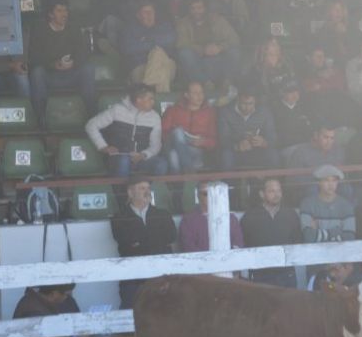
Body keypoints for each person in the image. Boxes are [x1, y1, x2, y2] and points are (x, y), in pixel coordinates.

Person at [111, 177, 177, 309]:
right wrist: (154, 241)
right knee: (131, 312)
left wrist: (139, 242)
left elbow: (171, 237)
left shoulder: (163, 214)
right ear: (130, 193)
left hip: (161, 273)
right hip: (133, 276)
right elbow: (125, 242)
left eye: (148, 188)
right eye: (142, 188)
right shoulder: (119, 217)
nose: (147, 192)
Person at [29, 0, 97, 116]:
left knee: (88, 68)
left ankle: (90, 114)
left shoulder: (73, 28)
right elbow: (34, 57)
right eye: (59, 11)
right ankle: (41, 117)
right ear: (51, 14)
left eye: (65, 10)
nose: (64, 14)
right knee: (37, 72)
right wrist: (53, 64)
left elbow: (84, 52)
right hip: (50, 76)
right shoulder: (40, 31)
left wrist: (74, 63)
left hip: (71, 74)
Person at [85, 85, 168, 177]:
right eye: (150, 99)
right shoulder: (118, 110)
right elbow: (91, 125)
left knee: (161, 164)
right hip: (119, 156)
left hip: (141, 158)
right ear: (139, 100)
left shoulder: (154, 117)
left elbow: (156, 145)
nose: (153, 102)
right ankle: (121, 191)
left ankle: (148, 190)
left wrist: (144, 155)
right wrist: (103, 146)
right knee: (123, 160)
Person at [241, 178, 302, 287]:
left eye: (279, 191)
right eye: (271, 191)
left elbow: (298, 241)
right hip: (260, 274)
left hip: (286, 273)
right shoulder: (250, 216)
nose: (276, 194)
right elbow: (244, 244)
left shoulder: (290, 214)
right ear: (262, 194)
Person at [175, 0, 241, 92]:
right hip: (198, 63)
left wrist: (219, 48)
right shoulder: (183, 23)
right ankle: (205, 84)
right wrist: (202, 49)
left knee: (234, 51)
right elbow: (181, 43)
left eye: (199, 8)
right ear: (189, 9)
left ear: (205, 8)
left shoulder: (218, 20)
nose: (196, 11)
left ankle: (227, 84)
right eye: (193, 8)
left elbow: (235, 39)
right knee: (184, 54)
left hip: (218, 60)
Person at [11, 284, 80, 337]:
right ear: (54, 294)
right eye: (66, 295)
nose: (67, 298)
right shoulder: (33, 311)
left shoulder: (33, 301)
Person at [120, 1, 177, 94]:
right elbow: (128, 48)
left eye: (151, 12)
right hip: (140, 67)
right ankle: (158, 101)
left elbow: (170, 40)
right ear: (138, 15)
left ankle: (144, 93)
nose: (149, 14)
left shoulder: (165, 26)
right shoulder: (130, 29)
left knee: (157, 53)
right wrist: (155, 43)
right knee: (160, 69)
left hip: (167, 63)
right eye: (145, 12)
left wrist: (146, 40)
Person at [161, 81, 217, 173]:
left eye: (201, 92)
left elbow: (214, 140)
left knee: (173, 155)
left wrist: (203, 142)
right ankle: (189, 172)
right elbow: (163, 133)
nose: (200, 96)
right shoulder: (172, 110)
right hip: (172, 144)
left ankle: (178, 185)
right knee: (178, 132)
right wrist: (177, 138)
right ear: (186, 95)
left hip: (195, 150)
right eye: (195, 93)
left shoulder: (210, 112)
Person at [217, 90, 279, 170]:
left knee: (273, 154)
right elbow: (223, 138)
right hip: (235, 151)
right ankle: (228, 182)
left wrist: (264, 142)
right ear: (238, 100)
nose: (247, 108)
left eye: (250, 104)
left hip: (258, 150)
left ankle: (273, 181)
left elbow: (273, 137)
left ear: (255, 101)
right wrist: (237, 146)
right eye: (244, 103)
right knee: (226, 155)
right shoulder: (226, 112)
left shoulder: (264, 112)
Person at [285, 121, 345, 201]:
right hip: (308, 190)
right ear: (316, 135)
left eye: (332, 138)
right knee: (312, 190)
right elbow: (292, 180)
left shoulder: (337, 150)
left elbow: (342, 175)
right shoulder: (301, 152)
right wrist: (318, 181)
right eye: (325, 137)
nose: (329, 142)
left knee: (346, 189)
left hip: (332, 187)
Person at [178, 182, 244, 253]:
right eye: (206, 194)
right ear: (198, 195)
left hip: (228, 262)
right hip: (200, 262)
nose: (211, 196)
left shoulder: (231, 218)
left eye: (214, 193)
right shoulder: (188, 221)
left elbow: (238, 245)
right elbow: (189, 249)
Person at [299, 165, 356, 243]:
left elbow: (349, 237)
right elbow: (308, 237)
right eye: (326, 180)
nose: (331, 184)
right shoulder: (308, 204)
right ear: (319, 182)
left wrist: (319, 232)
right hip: (314, 252)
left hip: (339, 252)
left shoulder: (346, 206)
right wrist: (337, 231)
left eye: (334, 180)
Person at [270, 79, 314, 151]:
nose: (295, 95)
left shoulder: (304, 107)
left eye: (296, 91)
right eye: (290, 92)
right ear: (282, 93)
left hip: (307, 145)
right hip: (288, 147)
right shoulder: (275, 111)